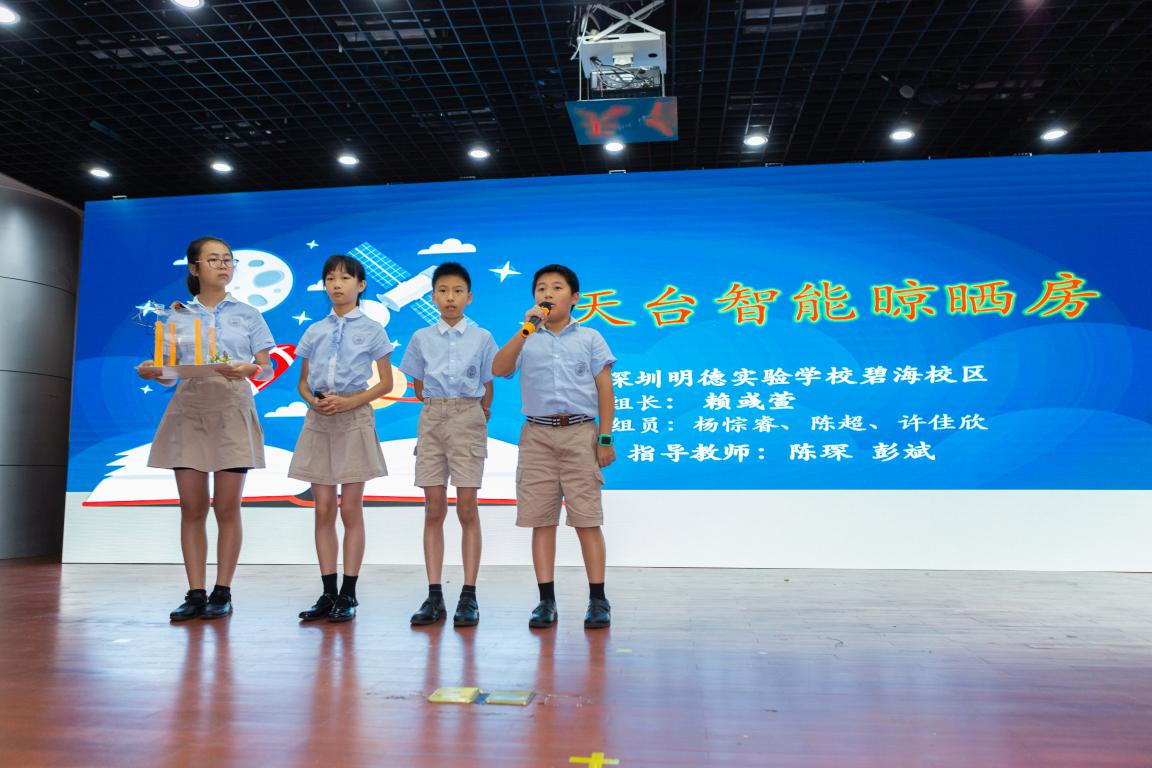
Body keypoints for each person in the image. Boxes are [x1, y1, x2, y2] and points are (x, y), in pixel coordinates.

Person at [138, 236, 275, 621]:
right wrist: (153, 371)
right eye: (213, 260)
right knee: (192, 507)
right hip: (190, 410)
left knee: (228, 507)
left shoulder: (248, 314)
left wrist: (249, 368)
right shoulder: (177, 316)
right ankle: (195, 592)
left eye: (228, 260)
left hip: (232, 407)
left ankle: (223, 591)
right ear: (194, 268)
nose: (223, 265)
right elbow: (168, 373)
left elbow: (266, 368)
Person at [491, 264, 617, 629]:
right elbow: (499, 368)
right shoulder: (526, 336)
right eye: (541, 288)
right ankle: (546, 601)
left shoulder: (590, 337)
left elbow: (605, 390)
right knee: (541, 521)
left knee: (587, 520)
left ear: (574, 297)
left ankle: (598, 600)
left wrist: (605, 437)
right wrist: (525, 329)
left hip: (580, 433)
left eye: (557, 287)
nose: (548, 293)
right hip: (537, 435)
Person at [290, 255, 394, 623]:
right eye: (330, 278)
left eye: (345, 278)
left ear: (360, 285)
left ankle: (349, 593)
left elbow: (386, 383)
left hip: (354, 417)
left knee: (350, 508)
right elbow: (303, 383)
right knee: (322, 509)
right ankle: (327, 592)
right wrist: (312, 401)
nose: (337, 284)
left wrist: (350, 401)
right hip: (320, 419)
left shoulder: (373, 330)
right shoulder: (314, 331)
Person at [400, 262, 497, 627]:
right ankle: (434, 594)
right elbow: (418, 386)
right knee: (433, 508)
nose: (450, 297)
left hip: (468, 415)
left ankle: (469, 594)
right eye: (442, 290)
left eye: (457, 291)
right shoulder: (420, 337)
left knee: (467, 508)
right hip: (432, 418)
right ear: (432, 297)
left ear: (469, 297)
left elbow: (488, 385)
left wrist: (472, 415)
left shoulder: (482, 337)